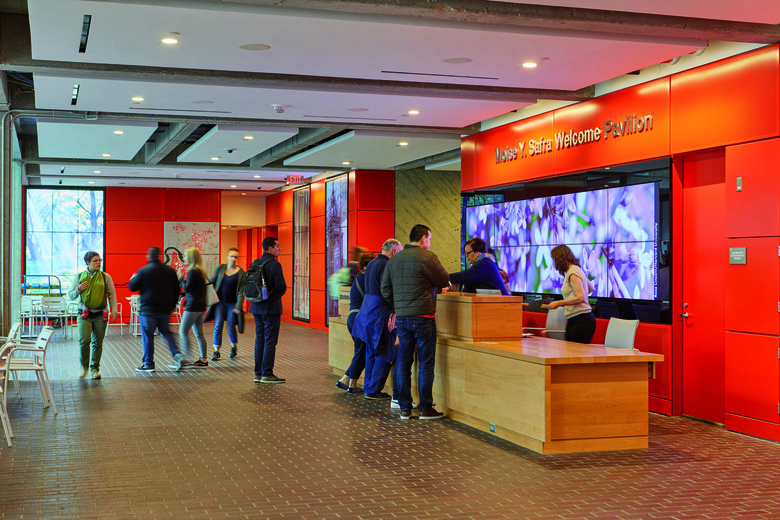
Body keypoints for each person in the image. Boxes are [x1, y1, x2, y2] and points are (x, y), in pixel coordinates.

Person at [381, 225, 450, 420]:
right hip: (424, 317)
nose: (430, 242)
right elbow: (443, 280)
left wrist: (399, 306)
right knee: (425, 363)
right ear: (423, 238)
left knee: (404, 362)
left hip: (402, 319)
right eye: (430, 238)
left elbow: (385, 289)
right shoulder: (428, 257)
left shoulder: (394, 259)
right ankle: (425, 408)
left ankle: (404, 408)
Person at [351, 239, 403, 401]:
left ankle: (369, 387)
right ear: (394, 251)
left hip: (367, 311)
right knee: (385, 350)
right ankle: (373, 389)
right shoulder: (387, 265)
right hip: (381, 313)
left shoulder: (372, 263)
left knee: (371, 351)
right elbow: (389, 290)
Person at [128, 246, 186, 372]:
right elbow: (177, 289)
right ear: (159, 256)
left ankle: (149, 364)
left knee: (148, 337)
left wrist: (132, 279)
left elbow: (132, 287)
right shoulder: (170, 271)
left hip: (148, 311)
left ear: (148, 256)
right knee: (166, 332)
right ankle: (176, 354)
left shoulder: (144, 271)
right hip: (165, 310)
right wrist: (173, 305)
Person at [68, 251, 118, 380]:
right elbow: (71, 295)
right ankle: (84, 367)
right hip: (84, 315)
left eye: (100, 260)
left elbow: (112, 294)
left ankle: (95, 369)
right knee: (84, 340)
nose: (99, 263)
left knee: (98, 343)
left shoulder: (105, 277)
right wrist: (79, 289)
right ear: (88, 262)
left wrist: (114, 310)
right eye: (95, 261)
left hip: (100, 315)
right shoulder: (80, 276)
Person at [247, 236, 287, 383]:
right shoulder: (275, 265)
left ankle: (258, 373)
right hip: (271, 308)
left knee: (260, 340)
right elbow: (281, 286)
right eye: (277, 246)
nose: (279, 249)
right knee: (270, 341)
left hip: (256, 306)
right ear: (270, 248)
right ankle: (267, 373)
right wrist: (277, 295)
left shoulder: (255, 262)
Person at [335, 252, 376, 393]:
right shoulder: (366, 278)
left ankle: (347, 380)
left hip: (354, 318)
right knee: (362, 351)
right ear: (365, 266)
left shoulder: (360, 277)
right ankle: (350, 383)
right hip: (360, 319)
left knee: (361, 351)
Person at [547, 244, 597, 344]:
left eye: (554, 260)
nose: (553, 263)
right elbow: (591, 288)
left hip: (582, 320)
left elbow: (580, 297)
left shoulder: (572, 272)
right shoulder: (576, 269)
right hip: (577, 319)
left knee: (574, 352)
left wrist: (558, 303)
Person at [209, 247, 245, 361]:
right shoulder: (221, 269)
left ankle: (234, 346)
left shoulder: (241, 273)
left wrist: (238, 305)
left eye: (235, 257)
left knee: (230, 326)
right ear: (227, 257)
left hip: (232, 304)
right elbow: (212, 281)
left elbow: (241, 291)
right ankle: (216, 351)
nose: (233, 259)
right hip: (219, 303)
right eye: (231, 256)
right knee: (218, 325)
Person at [179, 247, 208, 368]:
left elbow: (188, 288)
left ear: (191, 258)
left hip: (192, 307)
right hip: (200, 306)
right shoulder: (200, 271)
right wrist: (182, 294)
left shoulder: (192, 271)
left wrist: (180, 279)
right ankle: (203, 359)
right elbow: (195, 289)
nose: (184, 258)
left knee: (183, 331)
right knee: (199, 334)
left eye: (185, 256)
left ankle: (186, 357)